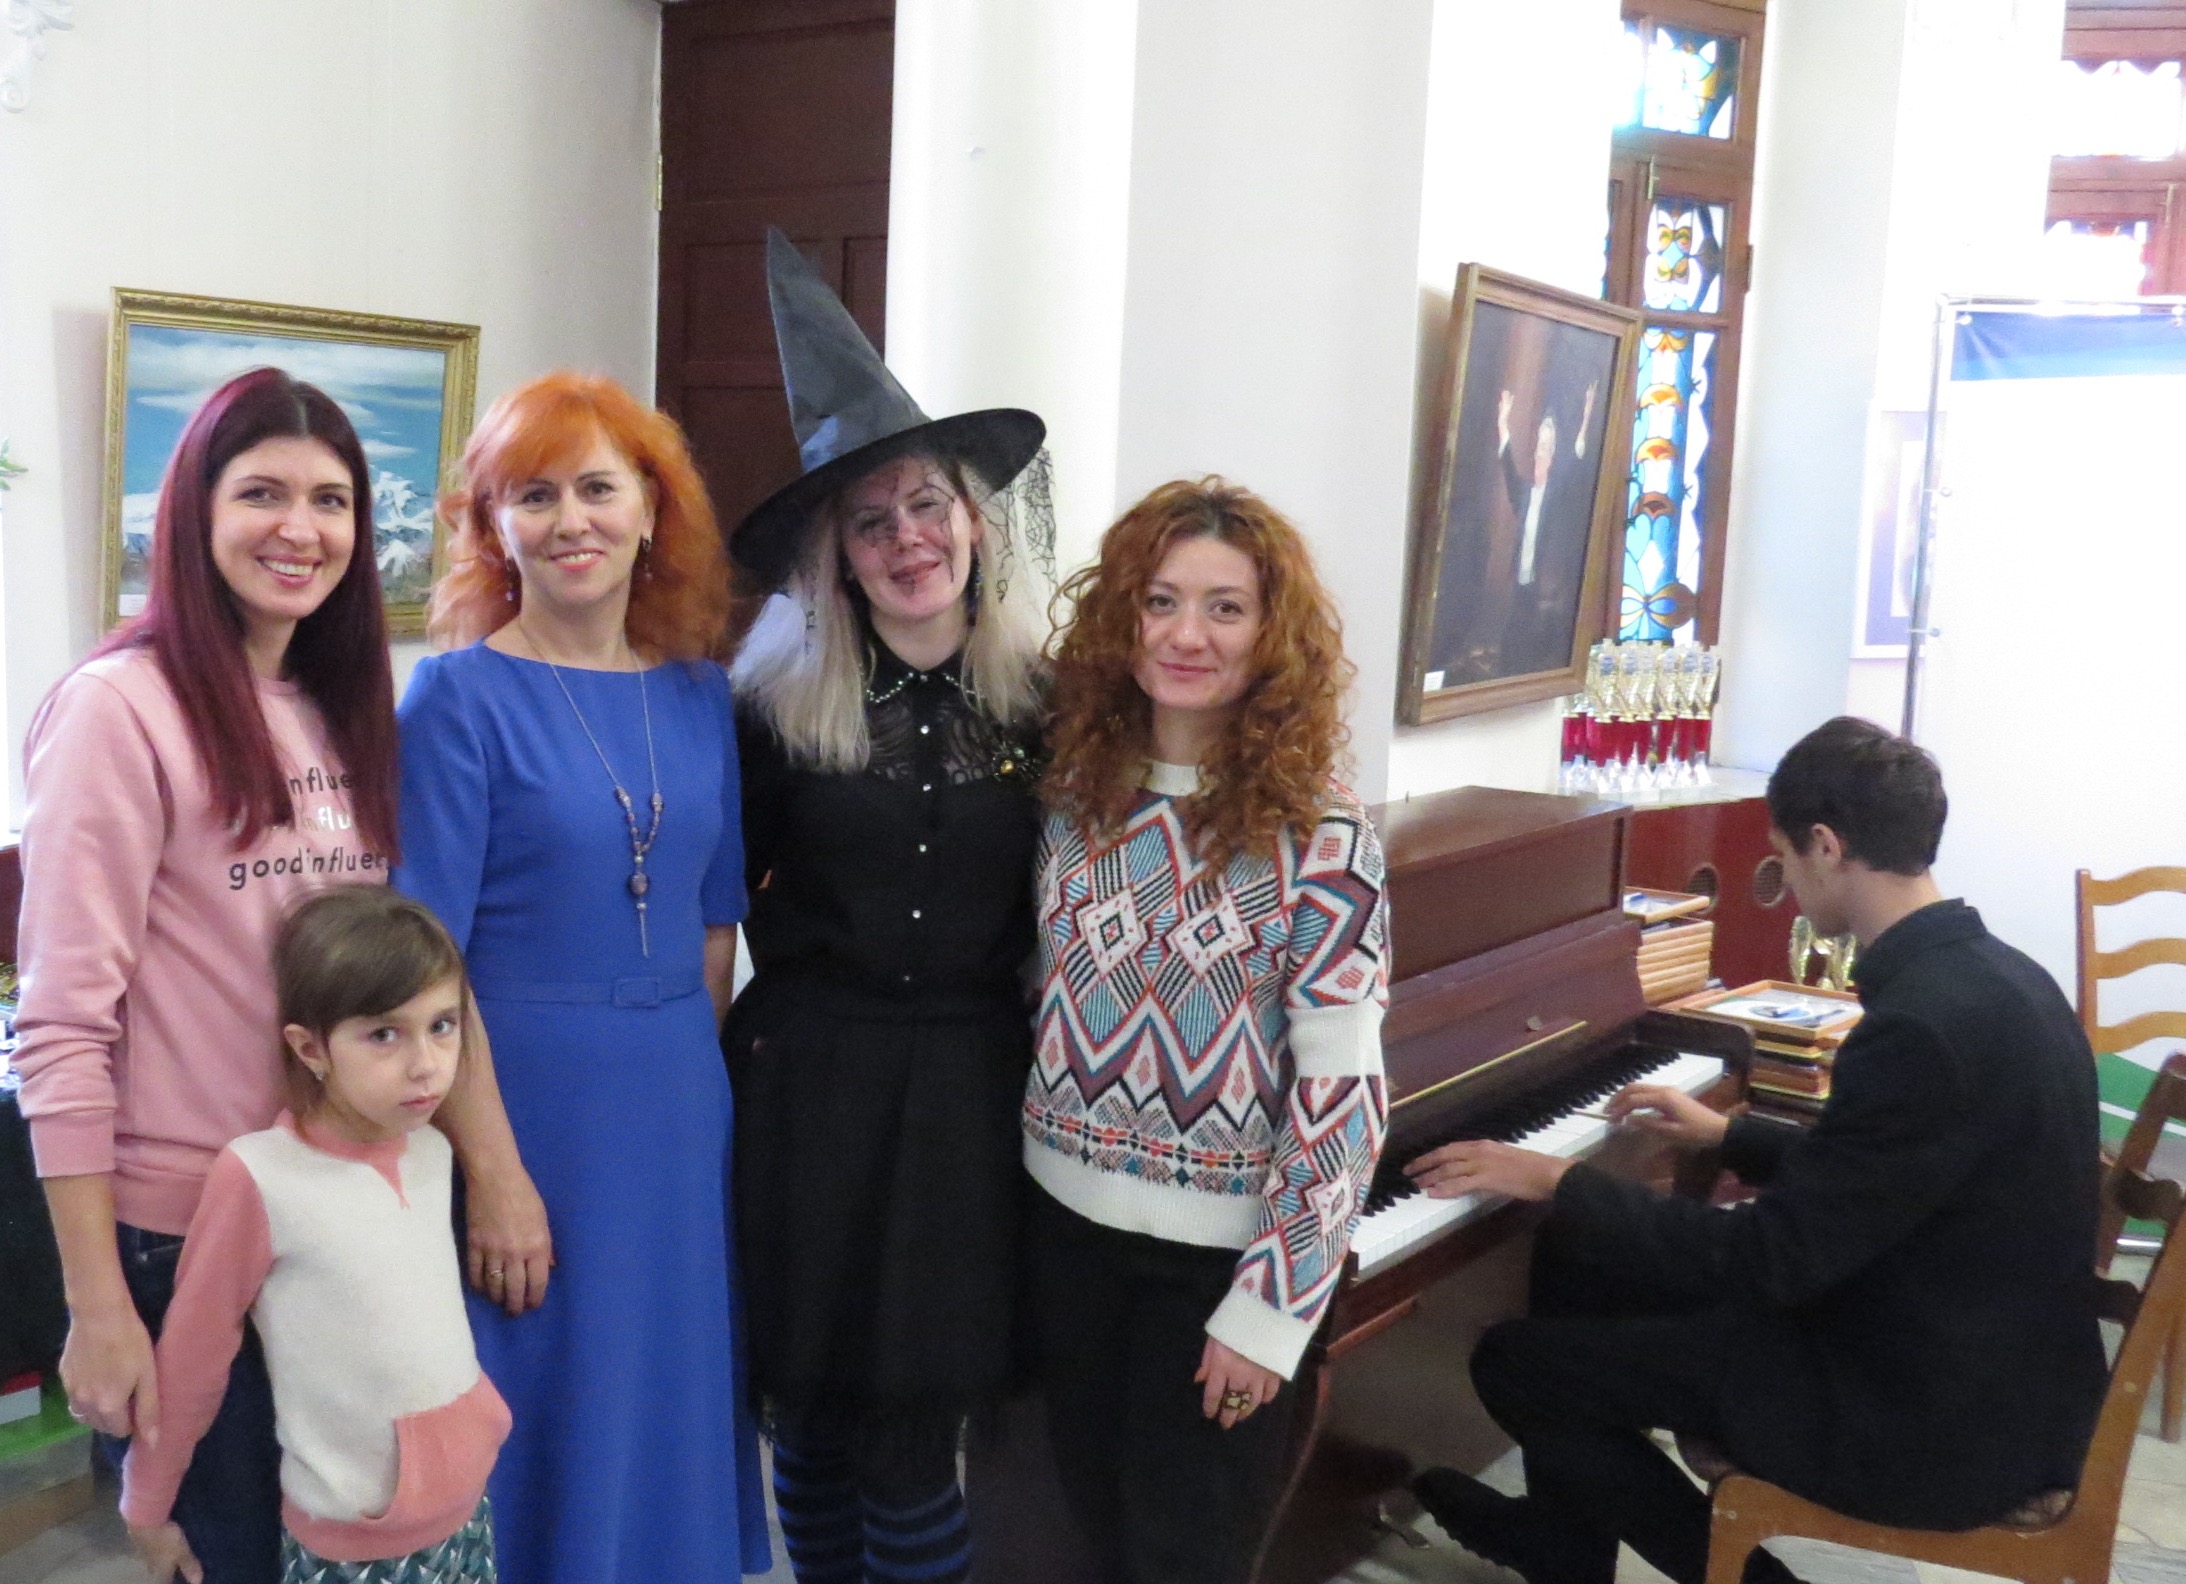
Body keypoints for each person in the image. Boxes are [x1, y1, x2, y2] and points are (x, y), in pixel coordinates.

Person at [1405, 715, 2107, 1584]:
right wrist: (1732, 1134)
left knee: (1519, 1365)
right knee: (1578, 1262)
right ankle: (1565, 1545)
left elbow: (1770, 1260)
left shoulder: (1921, 1028)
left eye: (1784, 857)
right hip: (1984, 1370)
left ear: (1827, 846)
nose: (1786, 883)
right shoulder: (2002, 978)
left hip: (1927, 1421)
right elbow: (1895, 1177)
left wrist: (1561, 1177)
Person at [12, 368, 399, 1583]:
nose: (301, 529)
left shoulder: (334, 705)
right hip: (181, 1233)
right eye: (263, 493)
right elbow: (60, 1025)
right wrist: (95, 1305)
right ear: (196, 511)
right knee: (222, 1554)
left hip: (330, 1209)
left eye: (331, 500)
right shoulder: (117, 708)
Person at [393, 372, 769, 1582]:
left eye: (597, 489)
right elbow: (427, 965)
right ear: (493, 526)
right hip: (527, 1109)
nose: (571, 522)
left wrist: (689, 1091)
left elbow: (713, 928)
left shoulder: (699, 695)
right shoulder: (455, 698)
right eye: (534, 495)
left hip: (676, 1108)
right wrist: (494, 1175)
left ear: (652, 510)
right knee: (546, 1406)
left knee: (662, 1397)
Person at [724, 228, 1050, 1584]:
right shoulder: (767, 710)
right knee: (807, 1419)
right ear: (838, 559)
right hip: (807, 1095)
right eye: (872, 522)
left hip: (971, 1101)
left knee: (914, 1442)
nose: (907, 538)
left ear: (973, 520)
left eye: (927, 506)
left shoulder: (1050, 704)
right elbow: (707, 897)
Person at [1024, 478, 1391, 1584]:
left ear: (1272, 636)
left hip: (1215, 1276)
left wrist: (1271, 1311)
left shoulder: (1323, 834)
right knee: (1089, 1543)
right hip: (1063, 1243)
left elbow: (1342, 1096)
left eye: (1225, 608)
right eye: (1160, 600)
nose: (1186, 635)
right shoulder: (1073, 799)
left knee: (1187, 1562)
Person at [122, 887, 507, 1584]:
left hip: (466, 1513)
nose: (426, 1063)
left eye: (442, 1025)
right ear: (310, 1048)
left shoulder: (431, 1150)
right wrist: (147, 1504)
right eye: (384, 1034)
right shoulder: (260, 1177)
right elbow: (194, 1356)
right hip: (353, 1543)